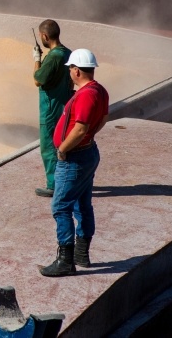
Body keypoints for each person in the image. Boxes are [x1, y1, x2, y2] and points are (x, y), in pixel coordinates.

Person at [39, 48, 109, 277]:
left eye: (70, 68)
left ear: (77, 70)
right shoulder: (99, 90)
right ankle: (81, 255)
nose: (70, 72)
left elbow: (80, 129)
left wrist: (63, 149)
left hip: (74, 158)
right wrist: (89, 137)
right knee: (82, 204)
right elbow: (103, 119)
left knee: (61, 207)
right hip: (87, 154)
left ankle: (65, 261)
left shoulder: (86, 95)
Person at [32, 19, 73, 197]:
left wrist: (37, 59)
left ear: (44, 36)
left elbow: (37, 79)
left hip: (50, 108)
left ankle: (53, 185)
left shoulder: (54, 57)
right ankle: (67, 181)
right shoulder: (68, 53)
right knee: (64, 145)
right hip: (65, 104)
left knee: (49, 147)